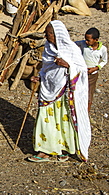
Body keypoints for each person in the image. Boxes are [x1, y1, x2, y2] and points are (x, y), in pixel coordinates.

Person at [28, 20, 91, 163]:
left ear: (57, 34)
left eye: (48, 33)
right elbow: (46, 69)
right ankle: (46, 150)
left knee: (64, 119)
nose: (45, 35)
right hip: (48, 90)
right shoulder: (48, 48)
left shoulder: (71, 49)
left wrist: (68, 65)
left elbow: (82, 70)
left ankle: (63, 147)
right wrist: (39, 77)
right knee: (46, 119)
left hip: (64, 91)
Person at [75, 28, 108, 112]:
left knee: (89, 95)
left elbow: (104, 61)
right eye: (85, 39)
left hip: (92, 75)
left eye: (88, 40)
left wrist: (95, 68)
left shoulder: (102, 49)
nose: (86, 42)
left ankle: (86, 113)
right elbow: (72, 44)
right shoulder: (83, 44)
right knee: (78, 92)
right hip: (81, 73)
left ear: (96, 40)